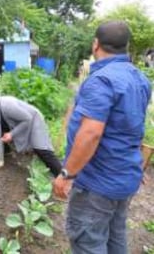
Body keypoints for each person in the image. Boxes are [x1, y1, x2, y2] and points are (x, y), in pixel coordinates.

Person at [53, 21, 151, 253]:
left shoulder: (101, 80)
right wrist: (134, 160)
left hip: (97, 185)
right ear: (126, 47)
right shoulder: (140, 79)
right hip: (125, 179)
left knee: (89, 242)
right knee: (115, 239)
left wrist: (67, 174)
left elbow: (91, 133)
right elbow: (134, 125)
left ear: (95, 44)